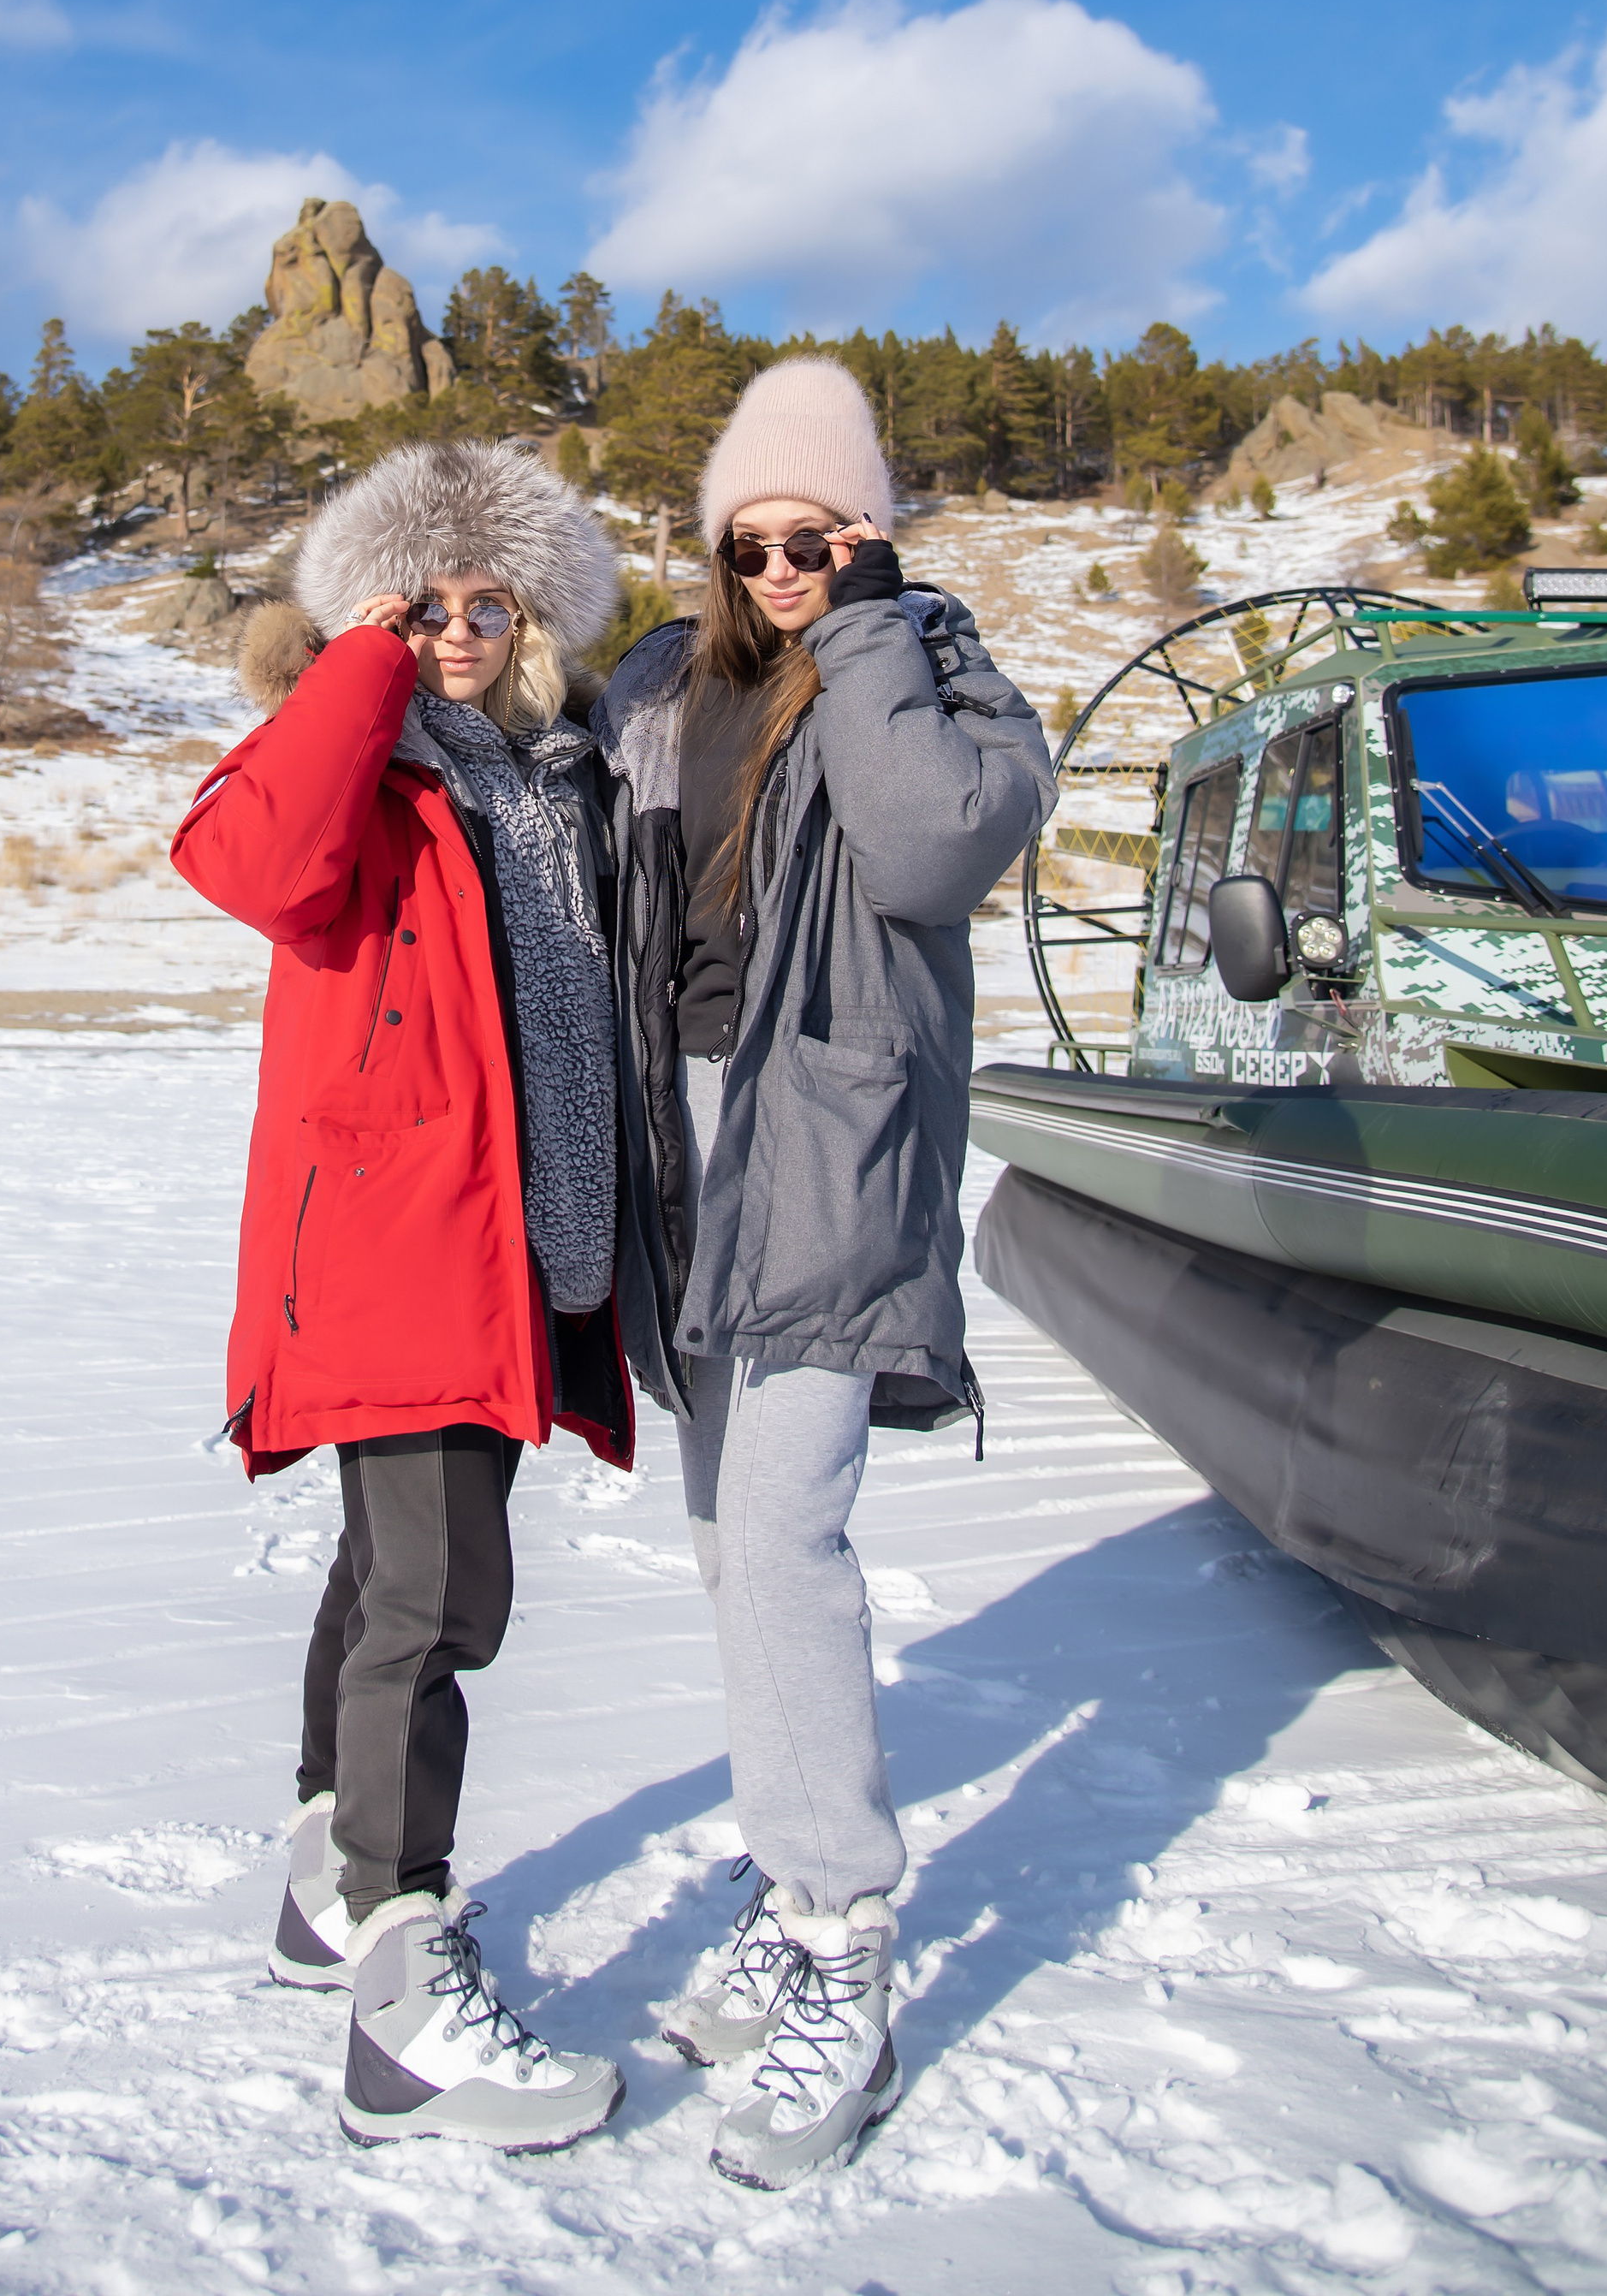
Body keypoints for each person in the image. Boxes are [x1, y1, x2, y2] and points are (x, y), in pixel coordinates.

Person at [595, 358, 1055, 2189]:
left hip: (828, 1137)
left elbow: (934, 842)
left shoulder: (933, 672)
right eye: (755, 540)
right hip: (685, 1140)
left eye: (818, 534)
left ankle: (844, 1932)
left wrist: (866, 623)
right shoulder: (664, 684)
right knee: (728, 1542)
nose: (781, 564)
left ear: (864, 527)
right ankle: (790, 1902)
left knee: (782, 1533)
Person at [170, 437, 633, 2154]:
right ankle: (402, 1993)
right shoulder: (356, 770)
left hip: (518, 1250)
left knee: (388, 1571)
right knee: (435, 1604)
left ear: (527, 614)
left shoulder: (553, 771)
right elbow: (254, 867)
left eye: (480, 597)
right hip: (395, 1242)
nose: (450, 623)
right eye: (413, 599)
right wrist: (353, 663)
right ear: (373, 609)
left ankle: (323, 1886)